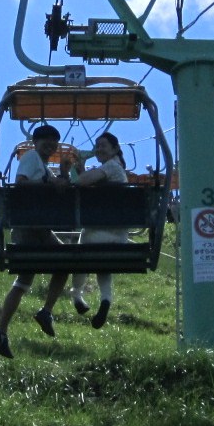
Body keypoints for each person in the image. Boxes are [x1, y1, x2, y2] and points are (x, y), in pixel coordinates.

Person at [0, 124, 71, 359]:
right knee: (65, 262)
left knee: (24, 281)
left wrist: (64, 173)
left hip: (35, 228)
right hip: (30, 228)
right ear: (36, 143)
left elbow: (60, 187)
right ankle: (44, 312)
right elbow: (22, 182)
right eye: (46, 142)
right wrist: (49, 184)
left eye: (54, 143)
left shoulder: (43, 166)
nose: (50, 146)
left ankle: (1, 330)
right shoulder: (31, 158)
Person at [68, 132, 128, 329]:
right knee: (103, 264)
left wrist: (79, 172)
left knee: (83, 247)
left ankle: (76, 292)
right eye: (97, 146)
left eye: (103, 145)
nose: (98, 149)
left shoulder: (111, 166)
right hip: (119, 238)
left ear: (115, 149)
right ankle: (105, 300)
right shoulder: (116, 169)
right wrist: (83, 170)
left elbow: (80, 182)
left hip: (94, 236)